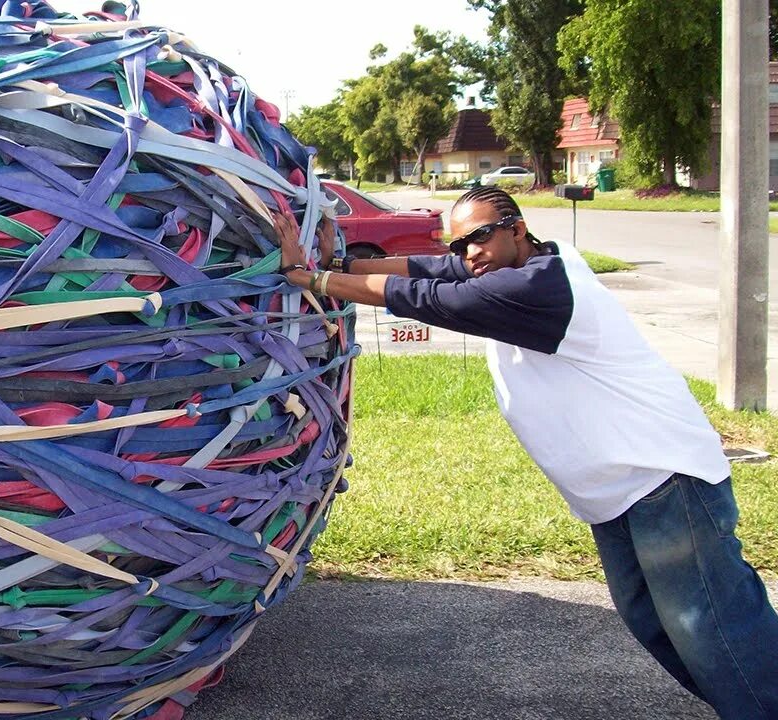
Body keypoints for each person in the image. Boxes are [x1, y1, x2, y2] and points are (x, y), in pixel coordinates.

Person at [277, 185, 778, 719]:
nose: (469, 253)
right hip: (617, 493)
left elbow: (428, 297)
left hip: (662, 479)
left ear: (517, 229)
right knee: (654, 621)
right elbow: (431, 271)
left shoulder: (539, 287)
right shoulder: (528, 263)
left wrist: (315, 279)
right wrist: (341, 260)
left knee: (710, 627)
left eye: (479, 237)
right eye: (459, 244)